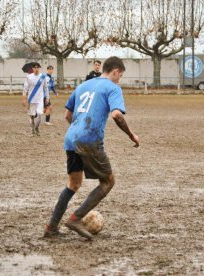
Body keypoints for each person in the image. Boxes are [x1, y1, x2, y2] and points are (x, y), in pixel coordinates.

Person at [44, 56, 140, 240]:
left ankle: (51, 227)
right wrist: (131, 135)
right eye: (120, 76)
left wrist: (78, 131)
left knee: (73, 184)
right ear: (116, 71)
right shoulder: (113, 88)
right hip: (90, 140)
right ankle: (76, 218)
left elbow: (67, 115)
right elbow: (117, 115)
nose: (119, 79)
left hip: (71, 138)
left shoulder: (83, 86)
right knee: (108, 182)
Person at [22, 62, 49, 136]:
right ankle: (32, 129)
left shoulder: (43, 77)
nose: (36, 69)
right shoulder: (29, 77)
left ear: (39, 68)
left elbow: (46, 88)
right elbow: (25, 88)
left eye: (38, 67)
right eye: (35, 67)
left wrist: (47, 97)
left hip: (40, 99)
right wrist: (24, 99)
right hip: (31, 99)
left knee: (39, 114)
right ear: (32, 69)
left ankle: (36, 128)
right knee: (32, 116)